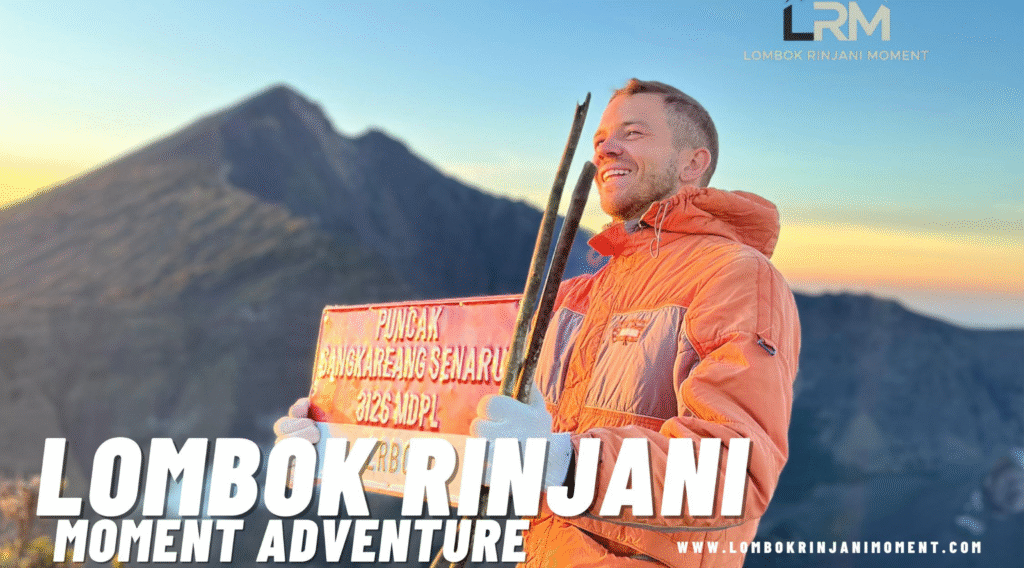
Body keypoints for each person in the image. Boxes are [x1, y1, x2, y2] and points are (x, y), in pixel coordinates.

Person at [276, 79, 801, 567]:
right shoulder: (576, 296)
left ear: (693, 163)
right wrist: (340, 441)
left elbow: (736, 472)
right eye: (599, 138)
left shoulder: (737, 278)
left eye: (632, 133)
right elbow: (469, 422)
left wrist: (562, 462)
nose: (606, 149)